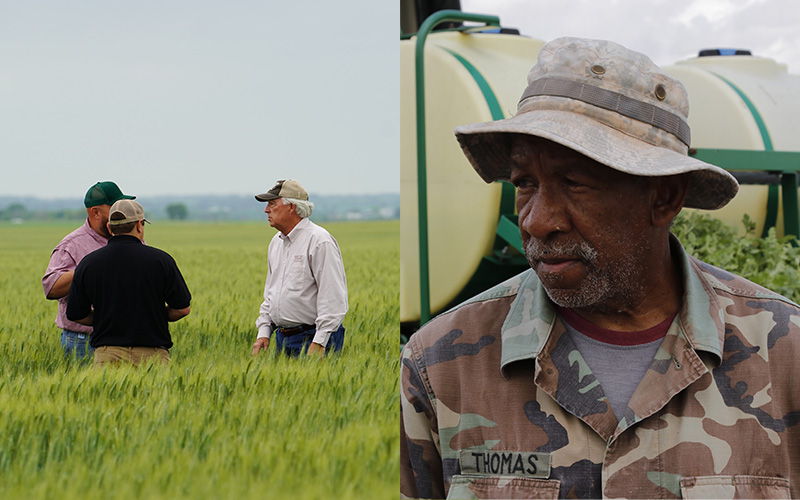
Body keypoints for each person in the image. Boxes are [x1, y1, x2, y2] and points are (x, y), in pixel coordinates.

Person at [400, 37, 800, 499]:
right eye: (525, 183)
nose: (535, 220)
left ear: (663, 197)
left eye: (575, 183)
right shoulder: (440, 365)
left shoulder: (785, 355)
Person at [66, 199, 191, 367]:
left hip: (106, 355)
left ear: (110, 228)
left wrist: (106, 317)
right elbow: (182, 309)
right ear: (139, 225)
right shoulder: (161, 260)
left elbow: (75, 313)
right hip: (153, 357)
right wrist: (152, 316)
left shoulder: (89, 263)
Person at [250, 179, 348, 358]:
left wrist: (320, 341)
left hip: (312, 337)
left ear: (291, 207)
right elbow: (271, 294)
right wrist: (263, 333)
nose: (266, 210)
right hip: (283, 337)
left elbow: (333, 296)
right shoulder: (276, 242)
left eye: (272, 204)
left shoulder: (319, 240)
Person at [42, 181, 135, 360]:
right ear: (95, 212)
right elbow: (51, 288)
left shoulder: (131, 237)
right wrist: (90, 268)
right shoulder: (72, 245)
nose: (121, 211)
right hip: (83, 341)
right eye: (115, 207)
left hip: (125, 337)